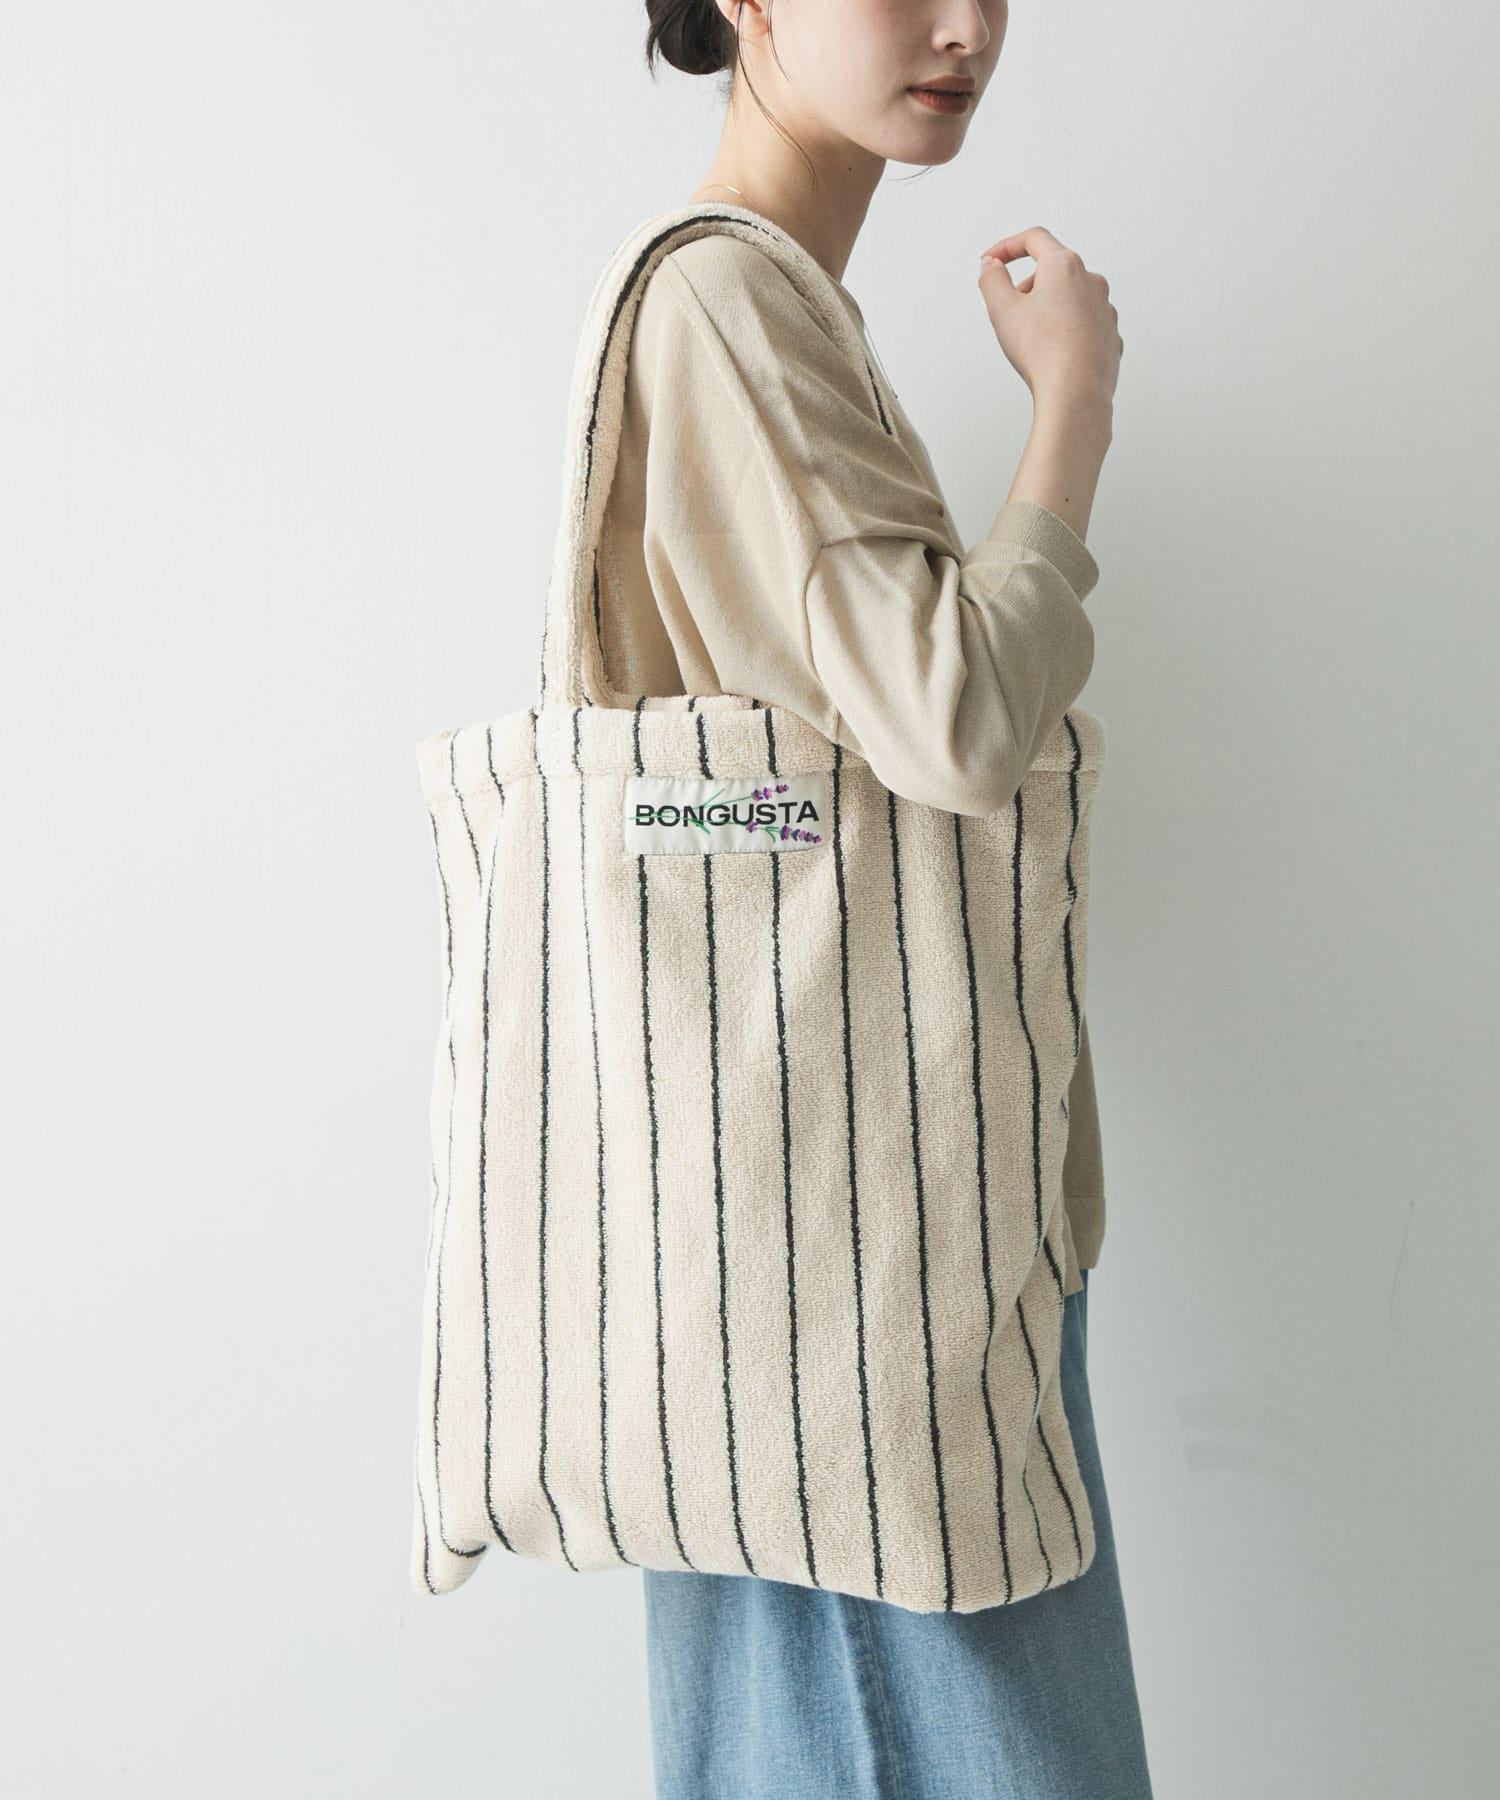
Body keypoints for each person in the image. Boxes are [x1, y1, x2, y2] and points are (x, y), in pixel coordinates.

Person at [607, 2, 1152, 1794]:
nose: (964, 23)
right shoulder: (728, 304)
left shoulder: (775, 307)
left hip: (827, 1255)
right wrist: (1072, 409)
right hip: (868, 1278)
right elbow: (957, 718)